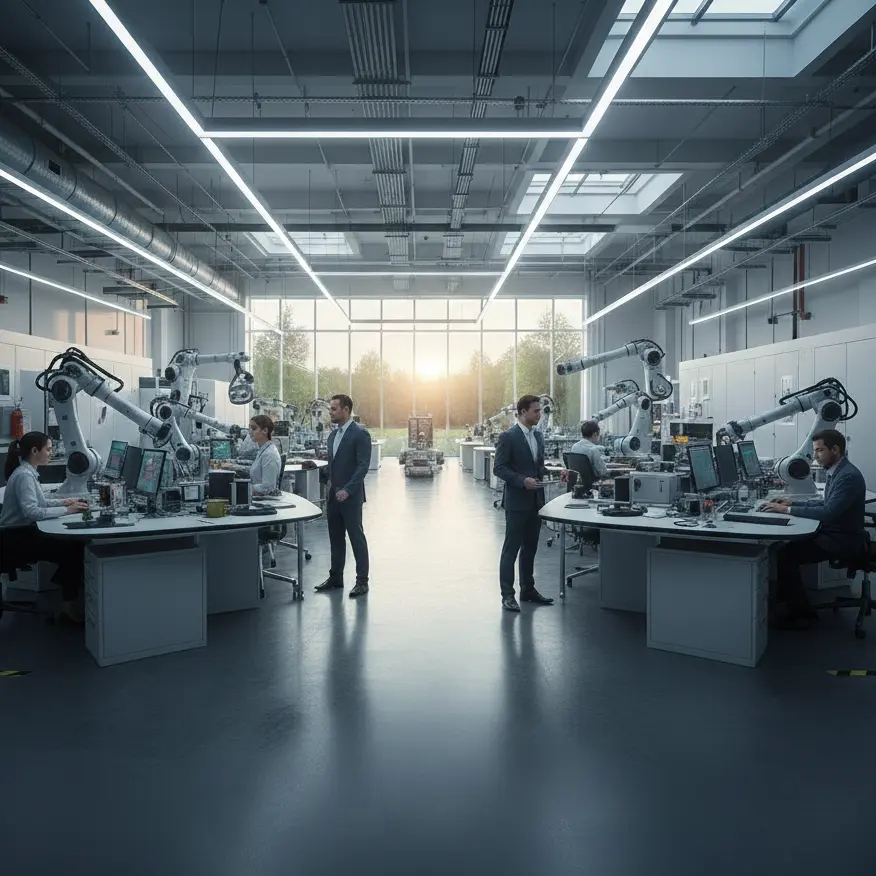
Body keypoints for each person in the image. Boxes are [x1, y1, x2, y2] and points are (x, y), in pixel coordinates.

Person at [761, 429, 867, 629]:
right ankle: (786, 603)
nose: (815, 456)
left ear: (835, 450)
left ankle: (803, 615)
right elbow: (824, 504)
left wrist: (787, 509)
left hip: (843, 539)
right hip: (836, 532)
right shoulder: (837, 471)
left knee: (786, 554)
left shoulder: (847, 477)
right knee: (786, 547)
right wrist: (790, 503)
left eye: (819, 450)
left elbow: (828, 512)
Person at [0, 432, 88, 623]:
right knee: (74, 549)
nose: (51, 453)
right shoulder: (24, 476)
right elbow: (33, 511)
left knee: (70, 547)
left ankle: (66, 594)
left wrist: (66, 501)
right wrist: (67, 510)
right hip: (15, 539)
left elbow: (41, 501)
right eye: (48, 449)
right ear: (34, 450)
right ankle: (68, 609)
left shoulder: (27, 472)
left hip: (16, 535)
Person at [493, 395, 556, 612]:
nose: (539, 414)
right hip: (517, 502)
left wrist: (555, 472)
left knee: (530, 548)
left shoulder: (538, 436)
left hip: (536, 501)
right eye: (536, 411)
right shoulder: (508, 437)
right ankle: (507, 595)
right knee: (511, 549)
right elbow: (499, 467)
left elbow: (537, 466)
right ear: (522, 412)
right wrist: (522, 481)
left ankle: (528, 589)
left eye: (540, 410)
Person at [315, 394, 372, 598]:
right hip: (333, 496)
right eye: (330, 409)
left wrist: (347, 489)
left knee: (356, 537)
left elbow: (363, 466)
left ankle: (362, 581)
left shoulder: (360, 434)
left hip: (350, 496)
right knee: (335, 538)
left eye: (334, 409)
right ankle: (336, 577)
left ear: (346, 409)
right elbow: (334, 465)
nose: (330, 412)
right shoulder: (332, 436)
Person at [246, 415, 283, 496]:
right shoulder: (263, 450)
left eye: (254, 428)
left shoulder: (269, 455)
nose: (250, 431)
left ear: (265, 430)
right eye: (249, 428)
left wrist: (244, 489)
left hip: (265, 502)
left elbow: (268, 487)